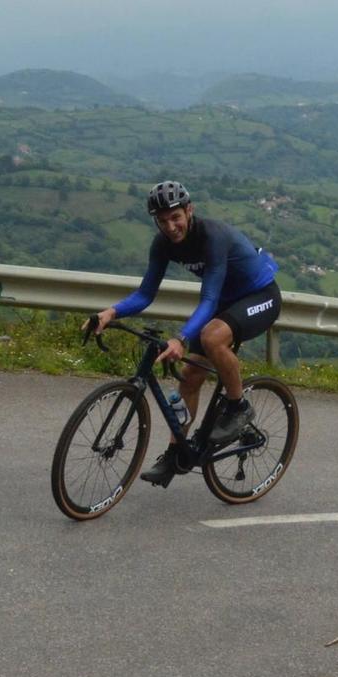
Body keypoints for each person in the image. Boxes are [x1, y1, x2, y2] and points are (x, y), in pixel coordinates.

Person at [86, 181, 281, 486]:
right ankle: (177, 455)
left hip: (259, 296)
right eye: (162, 221)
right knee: (189, 377)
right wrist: (111, 312)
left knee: (212, 337)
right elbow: (145, 294)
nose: (170, 226)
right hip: (227, 302)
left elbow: (209, 300)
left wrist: (180, 338)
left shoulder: (212, 237)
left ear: (189, 210)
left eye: (175, 217)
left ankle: (237, 406)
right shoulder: (162, 244)